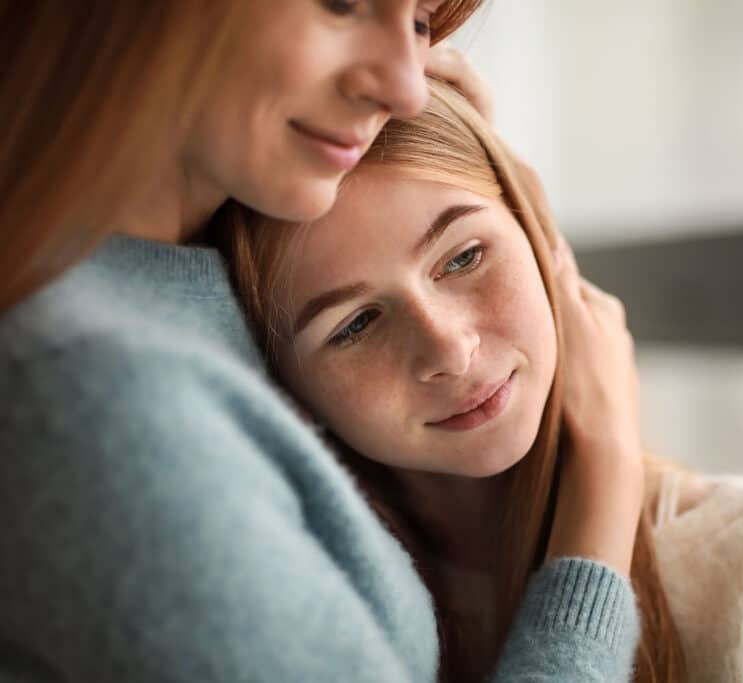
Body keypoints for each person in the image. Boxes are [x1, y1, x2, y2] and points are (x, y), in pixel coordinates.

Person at [0, 3, 649, 681]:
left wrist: (478, 169)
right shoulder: (87, 399)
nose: (407, 87)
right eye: (343, 3)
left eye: (421, 21)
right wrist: (604, 487)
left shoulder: (201, 263)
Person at [222, 78, 743, 682]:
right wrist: (608, 465)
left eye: (464, 255)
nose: (449, 346)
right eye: (353, 325)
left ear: (540, 240)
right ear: (287, 389)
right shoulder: (301, 612)